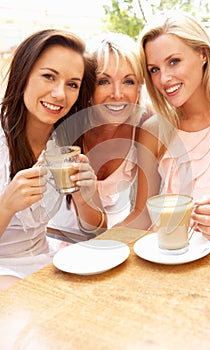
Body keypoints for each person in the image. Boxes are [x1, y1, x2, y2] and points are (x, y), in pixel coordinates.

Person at [121, 13, 210, 246]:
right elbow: (143, 216)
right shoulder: (154, 131)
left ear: (203, 54)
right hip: (170, 265)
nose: (164, 78)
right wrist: (95, 246)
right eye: (154, 69)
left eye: (174, 62)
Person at [0, 28, 97, 290]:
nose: (59, 94)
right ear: (23, 75)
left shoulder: (65, 144)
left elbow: (96, 231)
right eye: (48, 77)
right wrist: (6, 206)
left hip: (47, 263)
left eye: (72, 84)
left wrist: (86, 197)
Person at [48, 32, 149, 234]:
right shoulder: (63, 124)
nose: (117, 94)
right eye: (103, 81)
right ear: (87, 87)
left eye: (128, 81)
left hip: (117, 237)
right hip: (57, 241)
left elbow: (144, 212)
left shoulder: (145, 124)